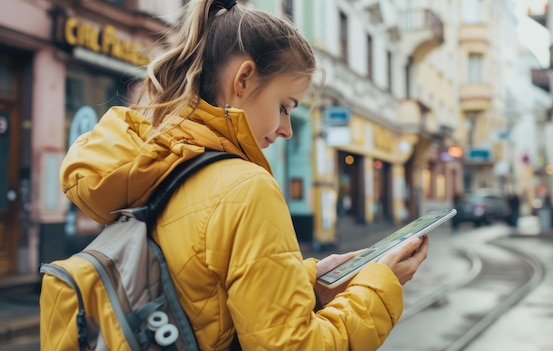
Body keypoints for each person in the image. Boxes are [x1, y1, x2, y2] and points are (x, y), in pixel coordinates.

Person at [59, 1, 429, 350]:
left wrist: (307, 282)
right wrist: (380, 283)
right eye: (284, 107)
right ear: (245, 79)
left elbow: (199, 293)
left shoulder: (155, 164)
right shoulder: (245, 188)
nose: (288, 129)